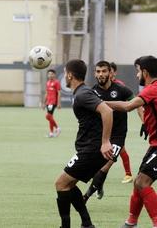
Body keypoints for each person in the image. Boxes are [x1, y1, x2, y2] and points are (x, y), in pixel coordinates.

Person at [106, 56, 157, 228]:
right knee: (138, 182)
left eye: (138, 71)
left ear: (145, 72)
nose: (137, 74)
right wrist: (148, 123)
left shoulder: (151, 90)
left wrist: (100, 103)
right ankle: (131, 222)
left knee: (142, 182)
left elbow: (127, 106)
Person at [54, 59, 114, 228]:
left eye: (66, 73)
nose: (65, 76)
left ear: (70, 75)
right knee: (69, 184)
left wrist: (105, 142)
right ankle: (87, 223)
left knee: (61, 183)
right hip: (88, 149)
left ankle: (66, 226)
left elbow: (107, 111)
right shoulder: (83, 92)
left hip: (92, 150)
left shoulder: (83, 94)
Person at [83, 61, 135, 203]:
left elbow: (137, 102)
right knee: (97, 167)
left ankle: (85, 197)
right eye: (98, 71)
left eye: (104, 71)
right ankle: (98, 185)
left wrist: (145, 121)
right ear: (94, 73)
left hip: (118, 136)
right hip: (101, 134)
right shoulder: (92, 92)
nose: (101, 74)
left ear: (110, 73)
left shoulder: (121, 90)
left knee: (107, 164)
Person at [43, 69, 61, 138]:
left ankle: (57, 128)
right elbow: (46, 93)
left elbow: (59, 93)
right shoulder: (48, 83)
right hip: (48, 102)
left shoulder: (56, 82)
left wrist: (59, 103)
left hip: (53, 102)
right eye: (49, 74)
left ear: (54, 75)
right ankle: (51, 133)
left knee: (48, 116)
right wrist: (44, 103)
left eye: (51, 74)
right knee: (50, 117)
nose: (50, 75)